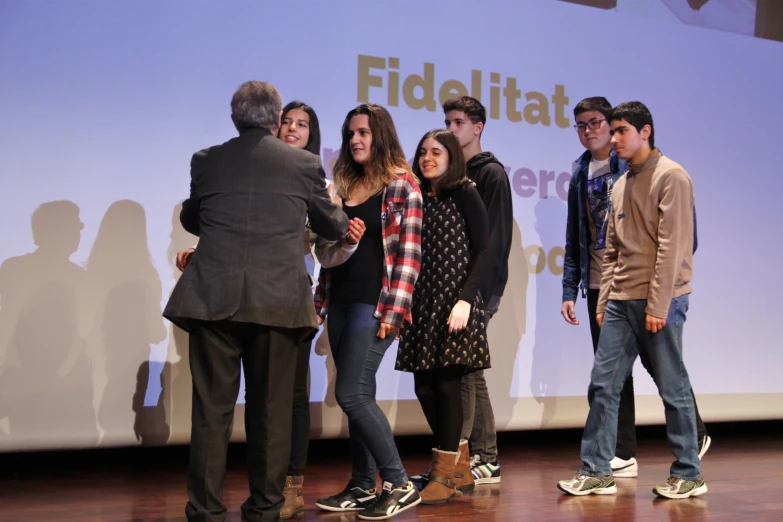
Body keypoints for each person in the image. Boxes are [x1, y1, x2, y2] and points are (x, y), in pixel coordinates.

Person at [163, 81, 348, 522]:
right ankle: (264, 508)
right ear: (275, 119)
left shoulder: (206, 160)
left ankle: (204, 511)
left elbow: (193, 216)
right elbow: (333, 224)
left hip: (213, 300)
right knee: (270, 413)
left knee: (211, 413)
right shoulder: (302, 164)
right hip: (278, 304)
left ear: (234, 117)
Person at [558, 101, 707, 499]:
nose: (615, 138)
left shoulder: (672, 176)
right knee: (602, 385)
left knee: (672, 388)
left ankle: (689, 472)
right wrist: (605, 300)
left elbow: (674, 248)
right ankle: (596, 469)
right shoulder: (621, 183)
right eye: (616, 130)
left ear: (646, 132)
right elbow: (610, 251)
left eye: (621, 130)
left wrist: (658, 305)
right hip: (621, 299)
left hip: (661, 299)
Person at [313, 103, 423, 520]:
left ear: (381, 135)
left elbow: (409, 257)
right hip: (340, 300)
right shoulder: (343, 187)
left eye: (363, 133)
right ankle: (362, 484)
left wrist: (395, 312)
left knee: (351, 393)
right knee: (359, 394)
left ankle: (398, 482)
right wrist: (321, 304)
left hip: (376, 305)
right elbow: (330, 253)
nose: (355, 140)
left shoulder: (401, 187)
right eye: (350, 134)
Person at [396, 129, 489, 505]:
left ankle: (444, 473)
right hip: (423, 302)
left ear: (452, 156)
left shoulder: (465, 191)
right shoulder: (417, 198)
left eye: (436, 152)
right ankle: (458, 463)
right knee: (424, 387)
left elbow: (484, 250)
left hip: (455, 302)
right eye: (422, 152)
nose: (427, 158)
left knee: (448, 385)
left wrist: (466, 300)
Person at [442, 96, 513, 485]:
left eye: (458, 122)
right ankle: (484, 456)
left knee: (467, 369)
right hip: (455, 288)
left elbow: (495, 240)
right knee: (468, 369)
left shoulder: (491, 174)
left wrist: (476, 295)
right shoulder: (451, 173)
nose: (451, 129)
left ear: (477, 127)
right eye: (448, 122)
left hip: (477, 290)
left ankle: (474, 455)